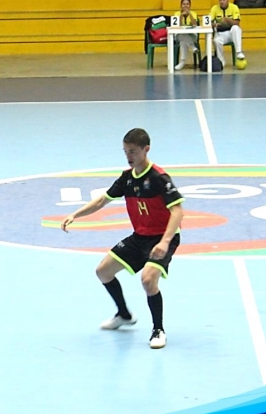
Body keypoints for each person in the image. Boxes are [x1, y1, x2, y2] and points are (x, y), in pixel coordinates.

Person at [60, 128, 185, 350]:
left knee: (148, 281)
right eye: (126, 151)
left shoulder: (158, 177)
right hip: (140, 237)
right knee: (103, 271)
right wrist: (75, 214)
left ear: (146, 149)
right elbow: (102, 201)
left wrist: (164, 242)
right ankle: (124, 314)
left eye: (133, 151)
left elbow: (177, 211)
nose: (129, 156)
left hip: (162, 237)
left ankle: (158, 329)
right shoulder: (127, 178)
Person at [209, 0, 246, 66]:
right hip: (221, 34)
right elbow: (208, 22)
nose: (222, 1)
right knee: (216, 41)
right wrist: (215, 24)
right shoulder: (214, 8)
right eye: (220, 0)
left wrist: (227, 20)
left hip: (232, 33)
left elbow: (237, 23)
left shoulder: (234, 7)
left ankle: (239, 52)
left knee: (236, 28)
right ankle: (221, 61)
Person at [173, 0, 199, 71]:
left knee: (183, 42)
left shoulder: (194, 13)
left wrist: (189, 14)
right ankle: (193, 47)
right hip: (179, 35)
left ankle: (182, 62)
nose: (185, 6)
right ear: (181, 5)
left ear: (190, 5)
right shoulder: (176, 14)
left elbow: (195, 24)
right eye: (184, 4)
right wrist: (181, 15)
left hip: (191, 35)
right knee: (182, 35)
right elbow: (177, 26)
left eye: (187, 4)